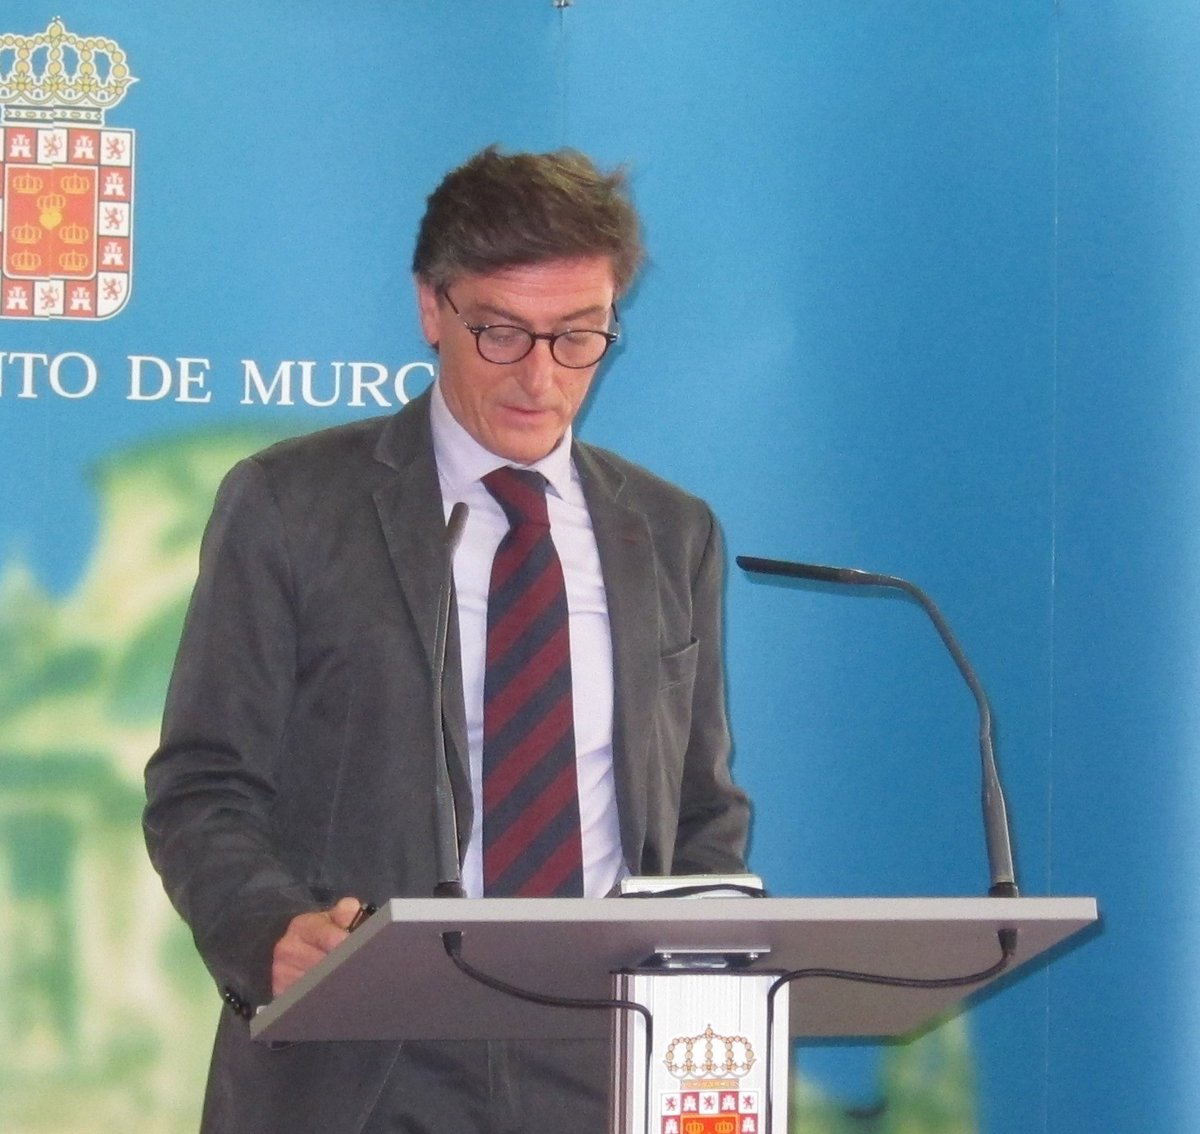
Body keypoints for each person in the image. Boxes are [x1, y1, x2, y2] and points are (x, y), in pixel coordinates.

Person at [143, 145, 750, 1133]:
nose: (540, 377)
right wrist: (268, 931)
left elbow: (701, 807)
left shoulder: (672, 532)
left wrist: (703, 969)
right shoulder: (291, 505)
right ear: (433, 307)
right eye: (501, 333)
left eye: (578, 336)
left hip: (605, 1051)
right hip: (364, 1049)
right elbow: (201, 784)